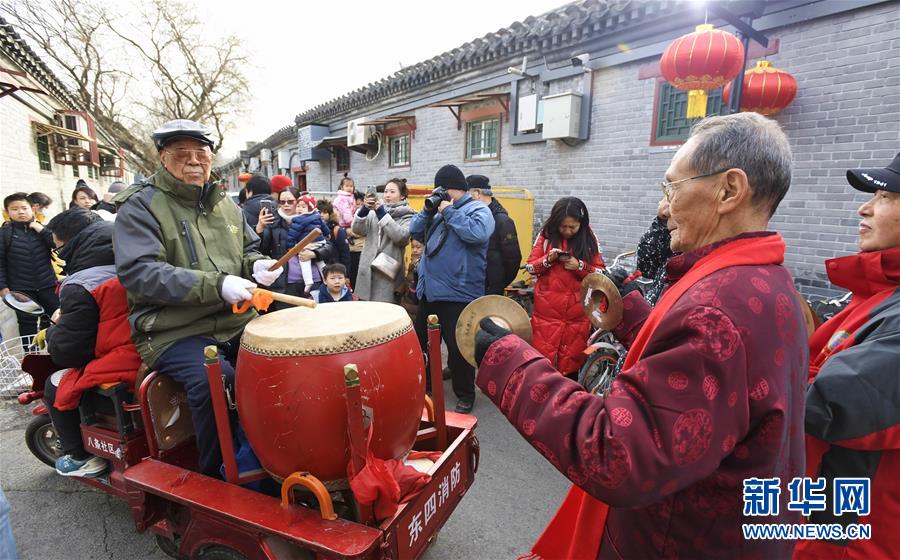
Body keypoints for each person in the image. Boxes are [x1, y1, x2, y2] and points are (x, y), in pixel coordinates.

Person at [473, 112, 807, 559]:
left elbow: (619, 454)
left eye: (672, 187)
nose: (663, 208)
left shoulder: (716, 310)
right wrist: (631, 312)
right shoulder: (765, 280)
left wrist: (508, 359)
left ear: (729, 190)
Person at [113, 119, 283, 477]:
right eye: (181, 154)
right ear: (162, 157)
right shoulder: (140, 206)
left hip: (233, 319)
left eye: (201, 154)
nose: (193, 162)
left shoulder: (225, 203)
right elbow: (140, 272)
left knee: (281, 363)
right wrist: (217, 285)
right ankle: (213, 476)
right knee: (215, 381)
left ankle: (275, 458)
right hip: (171, 329)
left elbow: (248, 248)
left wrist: (259, 265)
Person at [796, 153, 900, 559]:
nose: (866, 206)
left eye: (887, 195)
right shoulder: (876, 295)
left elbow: (827, 404)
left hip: (849, 538)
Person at [39, 209, 142, 477]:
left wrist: (53, 333)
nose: (58, 253)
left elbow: (69, 352)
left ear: (70, 243)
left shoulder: (81, 283)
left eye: (58, 246)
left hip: (123, 358)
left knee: (55, 382)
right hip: (152, 348)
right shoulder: (138, 259)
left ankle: (80, 457)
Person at [409, 164, 494, 413]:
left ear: (456, 190)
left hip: (459, 293)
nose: (441, 196)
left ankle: (465, 394)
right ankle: (426, 387)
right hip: (430, 291)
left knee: (458, 349)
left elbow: (477, 234)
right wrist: (428, 211)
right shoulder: (438, 211)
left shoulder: (478, 209)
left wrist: (450, 211)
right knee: (421, 343)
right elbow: (414, 232)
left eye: (444, 191)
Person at [525, 197, 605, 377]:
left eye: (573, 227)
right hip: (546, 316)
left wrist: (580, 267)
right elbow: (530, 267)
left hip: (578, 316)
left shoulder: (589, 237)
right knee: (540, 368)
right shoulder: (546, 235)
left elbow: (600, 274)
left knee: (570, 370)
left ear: (581, 223)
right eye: (563, 227)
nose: (568, 231)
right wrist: (548, 260)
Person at [0, 192, 59, 341]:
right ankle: (30, 355)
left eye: (24, 208)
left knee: (55, 318)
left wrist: (39, 228)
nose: (20, 212)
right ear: (7, 212)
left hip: (48, 285)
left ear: (33, 209)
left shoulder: (43, 229)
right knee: (27, 323)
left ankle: (54, 352)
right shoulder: (4, 234)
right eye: (14, 209)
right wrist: (2, 287)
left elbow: (56, 245)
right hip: (21, 289)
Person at [352, 178, 415, 302]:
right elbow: (357, 230)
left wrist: (382, 215)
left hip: (388, 273)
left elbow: (401, 237)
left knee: (386, 312)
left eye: (392, 192)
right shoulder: (373, 212)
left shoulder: (408, 215)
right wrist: (364, 210)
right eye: (386, 191)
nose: (387, 195)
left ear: (402, 196)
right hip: (367, 270)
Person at [469, 175, 522, 295]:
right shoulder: (471, 218)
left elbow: (513, 260)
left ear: (477, 193)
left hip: (490, 290)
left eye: (468, 194)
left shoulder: (502, 221)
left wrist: (497, 283)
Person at [285, 194, 333, 296]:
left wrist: (290, 246)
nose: (300, 209)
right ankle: (326, 277)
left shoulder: (298, 219)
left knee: (304, 259)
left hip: (308, 243)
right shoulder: (317, 216)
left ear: (310, 208)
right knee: (320, 261)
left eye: (303, 207)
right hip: (320, 242)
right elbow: (324, 227)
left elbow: (292, 235)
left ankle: (308, 281)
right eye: (298, 206)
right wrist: (327, 233)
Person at [317, 199, 351, 271]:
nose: (321, 215)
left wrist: (346, 274)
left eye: (325, 212)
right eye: (319, 212)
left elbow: (345, 254)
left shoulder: (336, 230)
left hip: (334, 269)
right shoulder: (312, 229)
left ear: (330, 214)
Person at [398, 238, 424, 322]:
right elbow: (407, 280)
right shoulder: (411, 263)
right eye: (412, 247)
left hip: (417, 299)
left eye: (418, 247)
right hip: (409, 296)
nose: (414, 250)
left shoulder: (423, 265)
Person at [348, 190, 366, 288]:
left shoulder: (366, 214)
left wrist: (349, 231)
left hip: (360, 250)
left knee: (358, 279)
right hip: (349, 250)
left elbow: (361, 231)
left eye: (361, 204)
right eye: (356, 204)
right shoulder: (347, 214)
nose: (359, 206)